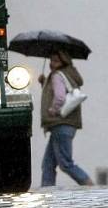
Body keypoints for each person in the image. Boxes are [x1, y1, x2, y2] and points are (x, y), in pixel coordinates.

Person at [38, 49, 94, 187]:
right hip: (65, 125)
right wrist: (44, 82)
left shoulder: (57, 75)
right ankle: (47, 189)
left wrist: (53, 110)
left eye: (56, 60)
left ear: (64, 61)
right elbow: (58, 91)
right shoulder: (68, 74)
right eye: (51, 60)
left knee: (65, 163)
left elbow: (60, 97)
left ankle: (88, 184)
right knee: (48, 163)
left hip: (61, 124)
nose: (52, 63)